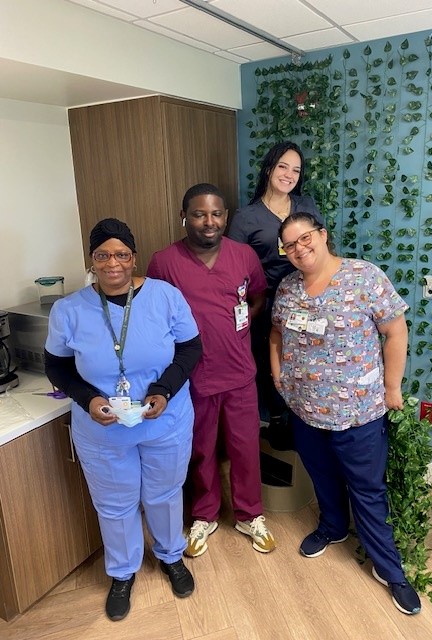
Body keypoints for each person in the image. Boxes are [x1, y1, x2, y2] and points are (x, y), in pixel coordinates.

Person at [44, 218, 202, 622]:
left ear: (133, 257)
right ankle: (122, 572)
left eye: (121, 254)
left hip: (164, 419)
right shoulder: (68, 310)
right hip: (103, 429)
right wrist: (88, 399)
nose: (112, 263)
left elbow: (191, 349)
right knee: (114, 503)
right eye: (102, 255)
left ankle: (170, 556)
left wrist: (164, 390)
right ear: (91, 260)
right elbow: (57, 367)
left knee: (165, 493)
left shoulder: (165, 297)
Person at [269, 212, 421, 616]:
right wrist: (278, 374)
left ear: (322, 235)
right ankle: (333, 528)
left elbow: (396, 331)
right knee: (322, 476)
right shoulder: (288, 287)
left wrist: (392, 388)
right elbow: (277, 332)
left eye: (305, 238)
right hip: (305, 409)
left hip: (358, 411)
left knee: (367, 489)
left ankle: (389, 569)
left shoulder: (364, 277)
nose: (299, 249)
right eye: (289, 245)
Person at [147, 183, 276, 559]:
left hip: (239, 373)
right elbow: (156, 315)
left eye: (217, 214)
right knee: (200, 450)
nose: (209, 221)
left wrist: (238, 327)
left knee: (245, 447)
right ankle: (204, 515)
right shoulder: (164, 262)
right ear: (184, 216)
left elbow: (257, 296)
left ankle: (250, 515)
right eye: (199, 214)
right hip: (193, 377)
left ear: (226, 217)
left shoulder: (244, 256)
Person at [228, 141, 324, 449]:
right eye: (283, 166)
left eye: (296, 170)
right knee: (271, 368)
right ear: (269, 168)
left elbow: (323, 249)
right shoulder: (246, 217)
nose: (289, 175)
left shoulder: (305, 205)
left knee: (310, 364)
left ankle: (309, 425)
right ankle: (278, 424)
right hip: (267, 305)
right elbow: (234, 268)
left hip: (309, 300)